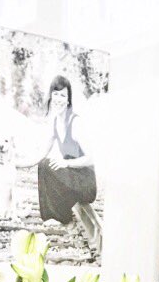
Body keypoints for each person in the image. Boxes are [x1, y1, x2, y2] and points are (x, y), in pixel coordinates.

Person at [18, 75, 102, 252]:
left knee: (50, 167)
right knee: (44, 165)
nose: (58, 99)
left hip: (85, 181)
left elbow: (92, 158)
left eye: (63, 95)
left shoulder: (75, 122)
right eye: (56, 94)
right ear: (51, 96)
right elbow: (42, 154)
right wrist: (19, 164)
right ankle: (59, 218)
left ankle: (66, 219)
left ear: (68, 99)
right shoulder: (55, 122)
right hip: (72, 178)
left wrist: (66, 163)